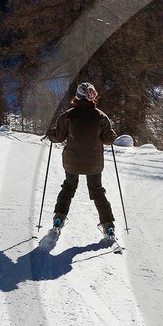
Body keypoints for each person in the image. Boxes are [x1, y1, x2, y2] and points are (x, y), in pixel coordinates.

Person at [46, 81, 118, 237]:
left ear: (77, 97)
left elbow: (58, 137)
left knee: (68, 187)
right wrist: (112, 135)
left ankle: (58, 219)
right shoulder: (101, 117)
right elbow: (108, 139)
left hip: (72, 162)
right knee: (98, 191)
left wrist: (51, 134)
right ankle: (108, 226)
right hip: (94, 163)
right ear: (92, 97)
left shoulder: (68, 115)